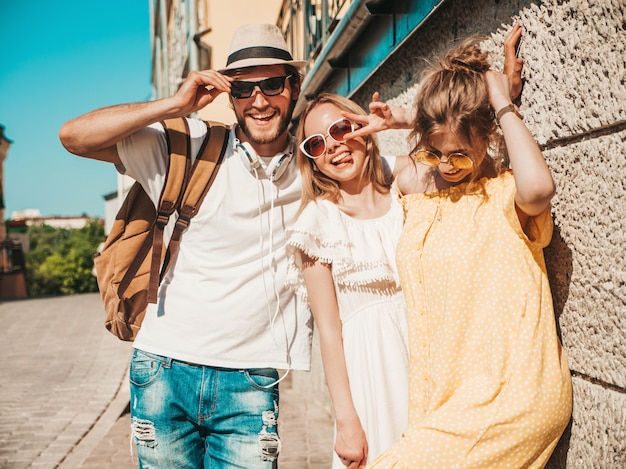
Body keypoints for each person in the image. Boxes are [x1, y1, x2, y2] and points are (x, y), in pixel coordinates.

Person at [59, 24, 313, 468]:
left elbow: (405, 169)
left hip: (251, 381)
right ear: (229, 96)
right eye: (242, 88)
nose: (258, 100)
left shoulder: (318, 166)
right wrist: (175, 105)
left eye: (272, 84)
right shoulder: (190, 147)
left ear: (292, 87)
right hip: (163, 369)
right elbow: (74, 136)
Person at [368, 36, 573, 468]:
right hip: (445, 403)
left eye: (459, 156)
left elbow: (539, 187)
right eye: (432, 153)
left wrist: (502, 102)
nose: (444, 166)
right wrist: (409, 119)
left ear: (488, 138)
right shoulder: (421, 195)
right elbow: (364, 172)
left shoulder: (505, 197)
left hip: (512, 396)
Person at [285, 93, 410, 469]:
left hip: (432, 365)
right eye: (316, 143)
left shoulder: (405, 186)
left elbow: (455, 144)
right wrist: (346, 419)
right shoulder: (319, 222)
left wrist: (399, 120)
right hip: (371, 375)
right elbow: (328, 330)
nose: (333, 146)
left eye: (341, 128)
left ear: (362, 126)